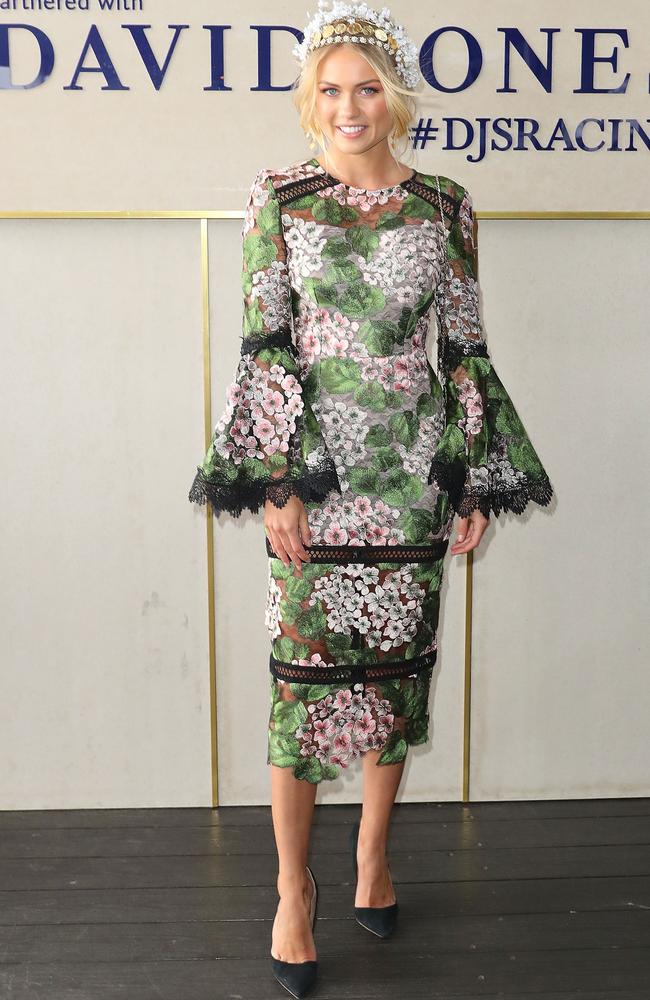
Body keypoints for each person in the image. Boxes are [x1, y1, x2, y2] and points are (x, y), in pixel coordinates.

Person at [188, 2, 554, 995]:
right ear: (310, 101)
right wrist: (273, 479)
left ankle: (371, 859)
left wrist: (470, 468)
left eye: (364, 87)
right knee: (300, 692)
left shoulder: (445, 205)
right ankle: (291, 890)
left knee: (393, 677)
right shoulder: (279, 200)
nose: (347, 107)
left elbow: (465, 346)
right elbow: (263, 346)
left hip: (407, 474)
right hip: (315, 474)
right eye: (328, 89)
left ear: (392, 95)